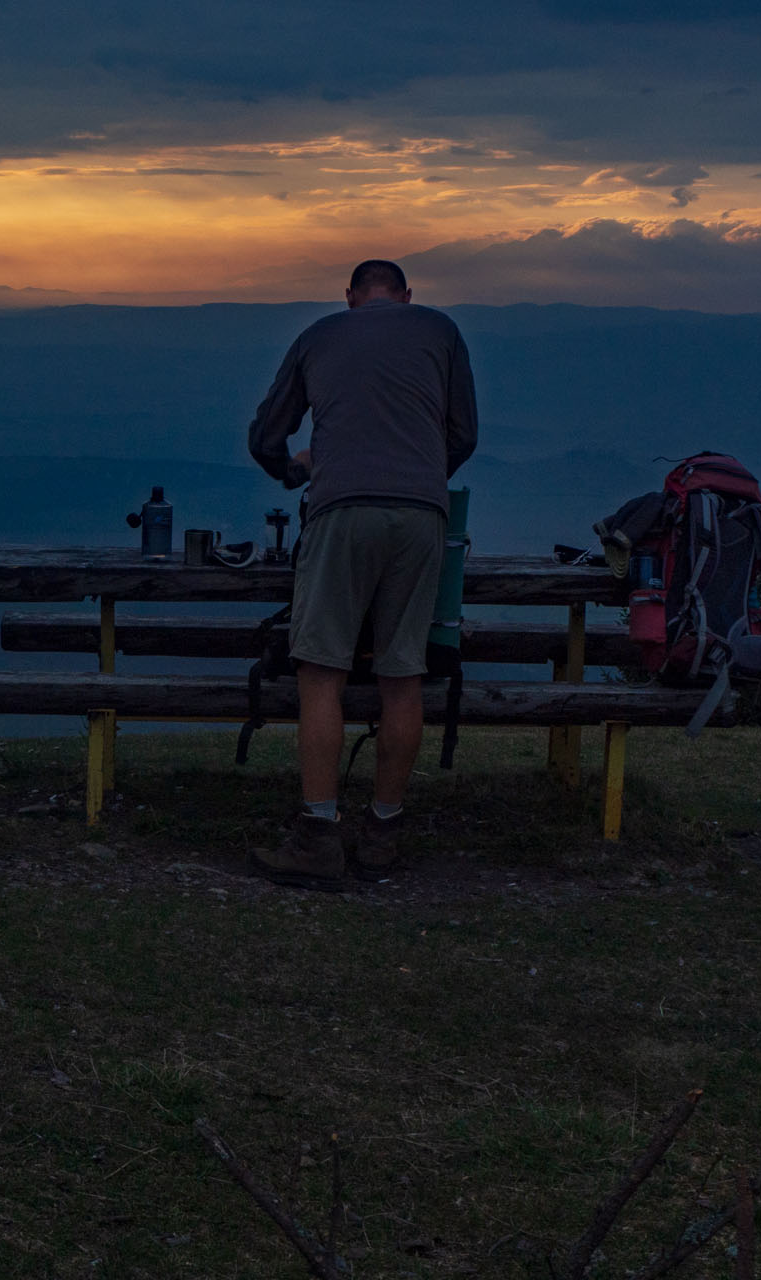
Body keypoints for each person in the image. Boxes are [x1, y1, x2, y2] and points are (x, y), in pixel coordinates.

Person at [244, 258, 478, 889]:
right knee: (403, 674)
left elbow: (267, 435)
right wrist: (423, 472)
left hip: (340, 511)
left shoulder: (317, 335)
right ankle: (383, 831)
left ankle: (319, 836)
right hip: (421, 517)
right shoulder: (443, 332)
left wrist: (297, 471)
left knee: (322, 673)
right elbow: (464, 434)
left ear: (350, 297)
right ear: (406, 296)